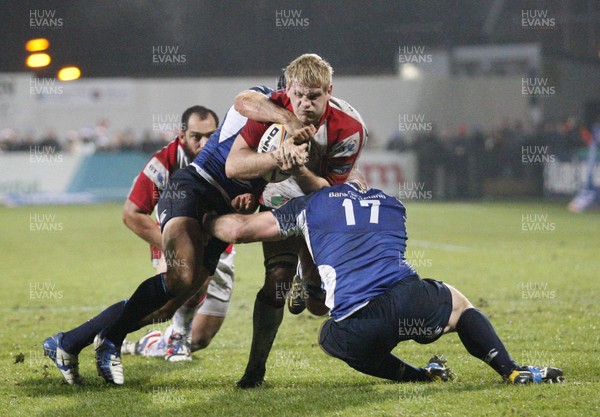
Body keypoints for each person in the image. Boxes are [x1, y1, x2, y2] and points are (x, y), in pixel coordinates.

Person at [42, 83, 308, 385]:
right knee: (179, 275)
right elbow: (244, 101)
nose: (304, 103)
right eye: (300, 95)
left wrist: (246, 205)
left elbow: (256, 191)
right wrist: (286, 119)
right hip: (192, 190)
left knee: (169, 308)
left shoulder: (297, 137)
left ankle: (69, 342)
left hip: (220, 218)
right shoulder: (263, 104)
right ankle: (112, 340)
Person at [202, 178, 565, 385]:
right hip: (408, 296)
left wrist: (205, 221)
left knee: (329, 338)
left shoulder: (313, 204)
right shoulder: (392, 205)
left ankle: (420, 378)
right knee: (460, 306)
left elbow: (241, 230)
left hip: (359, 322)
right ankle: (511, 370)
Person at [227, 53, 367, 388]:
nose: (304, 103)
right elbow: (234, 163)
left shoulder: (349, 128)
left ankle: (309, 276)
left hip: (321, 201)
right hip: (279, 201)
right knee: (277, 280)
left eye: (314, 96)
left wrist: (297, 168)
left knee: (319, 306)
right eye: (298, 95)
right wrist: (276, 157)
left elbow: (325, 193)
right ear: (288, 89)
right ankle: (254, 371)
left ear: (329, 91)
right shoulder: (274, 106)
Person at [121, 105, 235, 361]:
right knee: (184, 275)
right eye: (197, 136)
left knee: (202, 338)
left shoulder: (229, 157)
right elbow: (132, 213)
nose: (204, 143)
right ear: (182, 135)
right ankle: (174, 336)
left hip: (220, 249)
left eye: (210, 136)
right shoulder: (165, 161)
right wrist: (177, 245)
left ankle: (153, 342)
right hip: (172, 242)